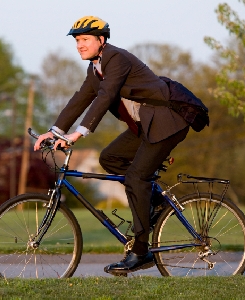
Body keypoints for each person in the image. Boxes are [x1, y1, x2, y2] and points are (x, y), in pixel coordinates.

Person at [34, 16, 189, 275]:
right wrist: (53, 132)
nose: (79, 45)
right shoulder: (94, 69)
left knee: (137, 178)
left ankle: (141, 252)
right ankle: (156, 202)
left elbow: (105, 97)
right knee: (110, 158)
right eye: (76, 41)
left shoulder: (116, 59)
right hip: (145, 126)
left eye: (84, 40)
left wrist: (77, 135)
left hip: (167, 122)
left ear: (101, 40)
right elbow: (80, 99)